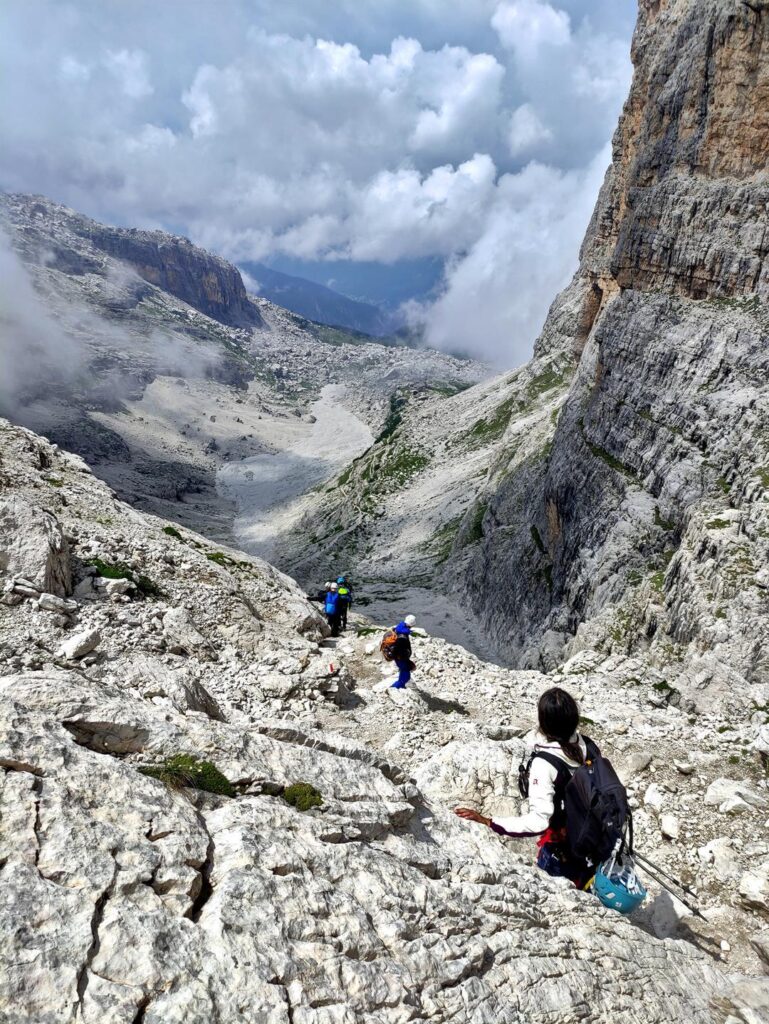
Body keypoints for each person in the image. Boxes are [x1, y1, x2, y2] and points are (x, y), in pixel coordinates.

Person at [454, 687, 595, 888]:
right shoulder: (588, 746)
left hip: (563, 852)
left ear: (543, 722)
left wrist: (489, 822)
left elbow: (539, 821)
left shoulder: (545, 763)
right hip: (593, 845)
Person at [390, 613, 417, 689]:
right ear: (411, 624)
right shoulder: (403, 637)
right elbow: (399, 649)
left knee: (402, 672)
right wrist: (406, 659)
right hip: (401, 658)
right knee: (406, 676)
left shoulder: (400, 627)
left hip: (399, 657)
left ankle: (401, 686)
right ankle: (394, 688)